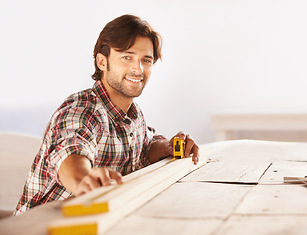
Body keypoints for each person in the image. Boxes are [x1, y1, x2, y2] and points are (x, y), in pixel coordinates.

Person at [14, 14, 199, 215]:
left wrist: (168, 147)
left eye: (146, 60)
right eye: (127, 57)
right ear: (102, 62)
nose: (138, 69)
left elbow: (143, 149)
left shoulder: (133, 115)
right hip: (40, 230)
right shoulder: (82, 110)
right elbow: (70, 150)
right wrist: (83, 179)